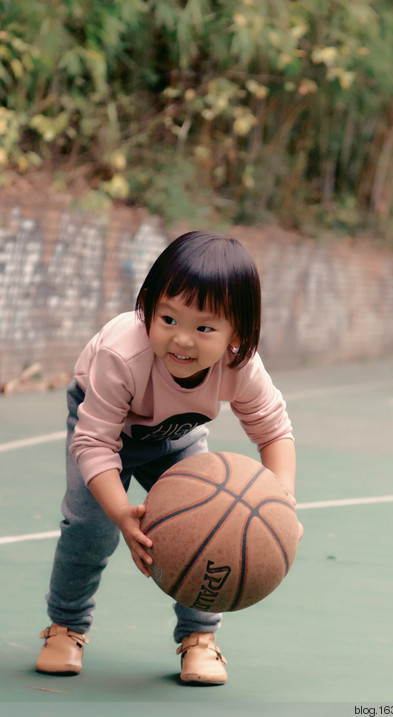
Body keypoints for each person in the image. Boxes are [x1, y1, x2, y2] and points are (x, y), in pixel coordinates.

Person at [35, 230, 298, 685]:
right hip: (104, 428)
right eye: (168, 318)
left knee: (211, 527)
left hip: (177, 435)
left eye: (204, 327)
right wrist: (121, 512)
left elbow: (274, 430)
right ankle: (66, 626)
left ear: (237, 332)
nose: (182, 340)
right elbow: (94, 443)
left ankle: (199, 638)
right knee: (89, 529)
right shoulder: (123, 354)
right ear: (148, 307)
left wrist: (282, 498)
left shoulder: (239, 366)